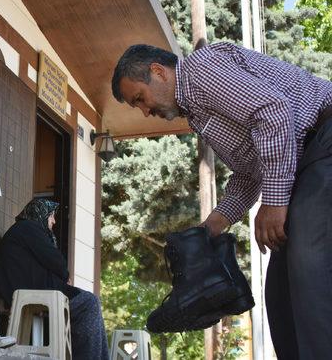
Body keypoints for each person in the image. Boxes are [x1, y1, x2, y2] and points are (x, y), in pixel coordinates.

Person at [112, 42, 332, 359]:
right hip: (305, 166)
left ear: (158, 72)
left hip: (324, 143)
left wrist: (273, 203)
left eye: (140, 99)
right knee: (281, 294)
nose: (146, 111)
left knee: (311, 274)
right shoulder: (198, 114)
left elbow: (273, 113)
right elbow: (248, 173)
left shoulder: (200, 71)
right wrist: (211, 227)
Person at [0, 199, 109, 360]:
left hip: (24, 290)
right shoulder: (29, 228)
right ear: (41, 214)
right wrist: (65, 275)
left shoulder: (21, 231)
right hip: (32, 293)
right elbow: (56, 262)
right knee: (89, 303)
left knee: (89, 303)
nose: (54, 221)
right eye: (51, 216)